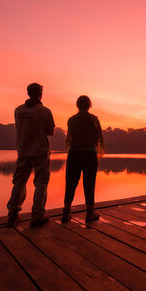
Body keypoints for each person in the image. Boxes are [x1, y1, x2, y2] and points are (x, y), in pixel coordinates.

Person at [7, 83, 55, 227]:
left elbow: (19, 127)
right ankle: (37, 216)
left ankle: (12, 216)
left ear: (28, 93)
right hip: (40, 151)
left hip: (23, 151)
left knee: (19, 183)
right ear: (41, 93)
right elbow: (50, 131)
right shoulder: (45, 111)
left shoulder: (18, 110)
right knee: (41, 183)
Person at [62, 95, 104, 223]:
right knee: (89, 184)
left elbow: (70, 138)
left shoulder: (71, 120)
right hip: (89, 155)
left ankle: (66, 213)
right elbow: (99, 139)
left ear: (77, 105)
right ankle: (89, 214)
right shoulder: (94, 120)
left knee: (70, 183)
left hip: (74, 154)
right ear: (89, 105)